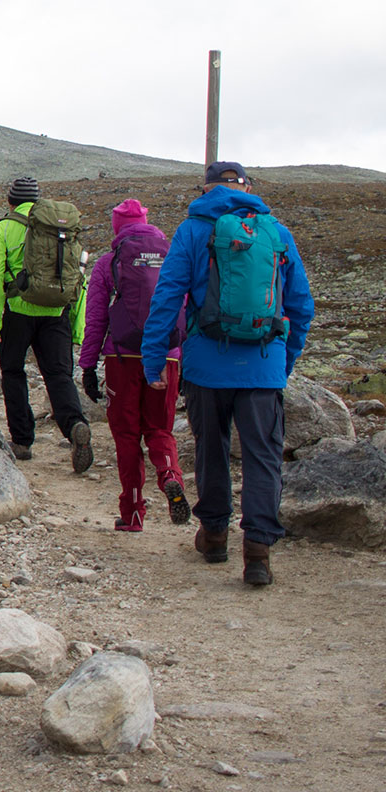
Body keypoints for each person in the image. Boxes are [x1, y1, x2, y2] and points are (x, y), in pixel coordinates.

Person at [141, 161, 314, 586]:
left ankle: (215, 535)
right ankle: (257, 551)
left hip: (206, 364)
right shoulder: (276, 232)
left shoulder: (193, 230)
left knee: (211, 449)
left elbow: (168, 297)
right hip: (262, 365)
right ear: (247, 188)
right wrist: (282, 362)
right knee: (263, 457)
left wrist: (153, 358)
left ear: (206, 189)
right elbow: (301, 306)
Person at [80, 199, 188, 531]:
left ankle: (134, 513)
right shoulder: (173, 259)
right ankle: (171, 476)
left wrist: (87, 365)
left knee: (126, 435)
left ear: (116, 227)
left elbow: (96, 319)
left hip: (122, 358)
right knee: (160, 429)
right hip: (168, 357)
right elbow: (188, 312)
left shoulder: (108, 264)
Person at [0, 176, 91, 468]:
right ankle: (74, 426)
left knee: (13, 372)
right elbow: (78, 280)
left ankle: (22, 440)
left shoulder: (4, 227)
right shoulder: (61, 228)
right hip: (57, 314)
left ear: (10, 201)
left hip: (18, 312)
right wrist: (78, 328)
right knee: (59, 375)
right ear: (39, 200)